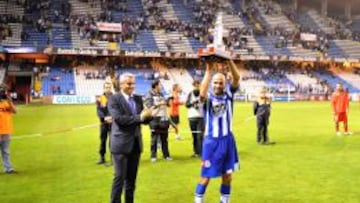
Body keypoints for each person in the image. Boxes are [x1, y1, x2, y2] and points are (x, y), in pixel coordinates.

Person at [194, 58, 240, 203]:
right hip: (212, 142)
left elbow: (237, 78)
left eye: (221, 82)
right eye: (215, 82)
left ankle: (224, 201)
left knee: (227, 176)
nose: (218, 85)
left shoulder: (229, 96)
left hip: (227, 140)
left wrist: (229, 60)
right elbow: (201, 93)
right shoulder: (207, 99)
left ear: (225, 84)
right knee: (206, 177)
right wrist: (208, 71)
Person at [108, 73, 152, 203]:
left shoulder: (138, 99)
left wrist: (149, 116)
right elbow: (120, 120)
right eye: (128, 83)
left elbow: (142, 121)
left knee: (131, 181)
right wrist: (140, 117)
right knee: (119, 179)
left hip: (136, 144)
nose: (131, 86)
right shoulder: (114, 99)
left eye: (133, 83)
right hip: (120, 145)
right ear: (121, 84)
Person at [144, 80, 172, 162]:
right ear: (156, 86)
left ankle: (166, 155)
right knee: (154, 139)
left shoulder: (161, 94)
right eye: (160, 85)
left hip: (163, 118)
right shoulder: (149, 95)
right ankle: (153, 156)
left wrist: (167, 102)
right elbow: (149, 107)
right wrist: (159, 104)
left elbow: (166, 104)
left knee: (164, 139)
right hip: (154, 119)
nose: (161, 86)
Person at [0, 84, 17, 174]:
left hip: (6, 130)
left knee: (6, 151)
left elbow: (15, 111)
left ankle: (8, 168)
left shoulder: (7, 103)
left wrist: (10, 102)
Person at [96, 82, 113, 165]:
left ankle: (113, 159)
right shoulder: (100, 98)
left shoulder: (115, 98)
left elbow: (117, 109)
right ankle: (102, 157)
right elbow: (99, 110)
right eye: (106, 87)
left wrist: (112, 117)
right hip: (104, 123)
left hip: (113, 123)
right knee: (103, 140)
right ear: (104, 88)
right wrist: (104, 118)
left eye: (109, 87)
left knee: (112, 141)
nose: (108, 89)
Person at [185, 79, 204, 157]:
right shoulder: (190, 94)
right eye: (195, 85)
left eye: (197, 85)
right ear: (193, 86)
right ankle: (196, 152)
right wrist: (192, 103)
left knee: (200, 136)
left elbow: (206, 103)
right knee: (194, 136)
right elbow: (186, 105)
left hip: (200, 117)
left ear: (199, 85)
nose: (196, 86)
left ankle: (201, 152)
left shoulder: (203, 94)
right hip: (192, 117)